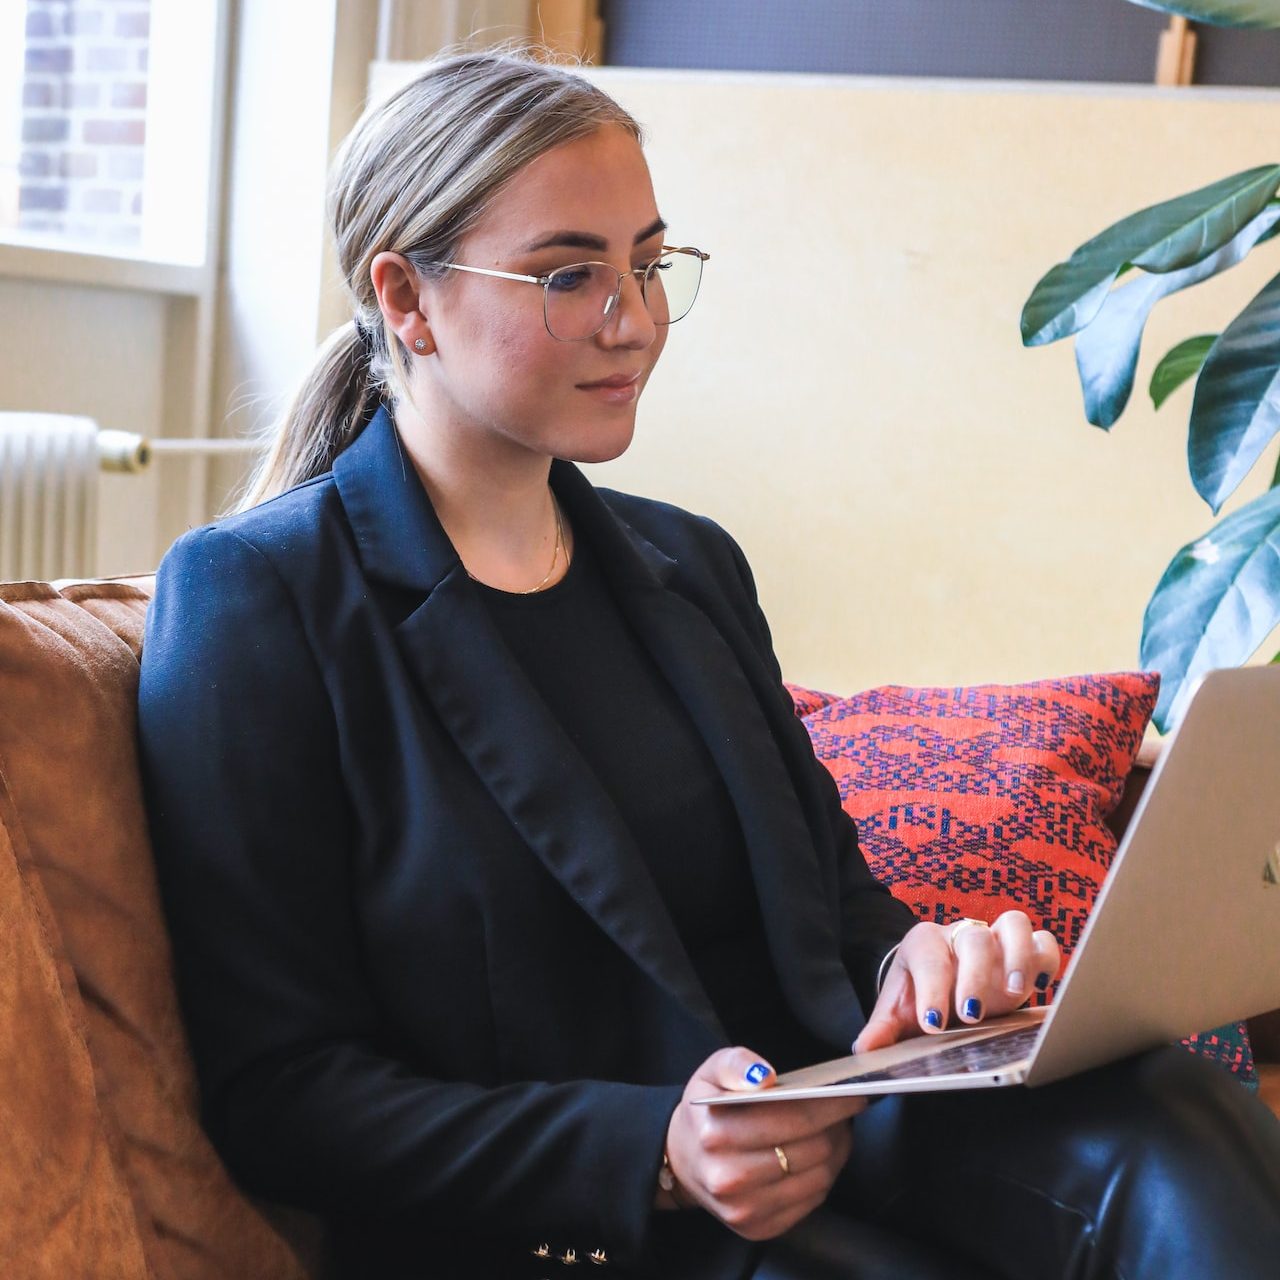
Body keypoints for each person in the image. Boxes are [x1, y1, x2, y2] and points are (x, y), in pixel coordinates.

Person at [137, 49, 1280, 1280]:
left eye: (647, 261)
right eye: (568, 272)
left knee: (1170, 1111)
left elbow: (841, 915)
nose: (632, 318)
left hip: (827, 1116)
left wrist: (925, 966)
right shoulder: (256, 600)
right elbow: (279, 1087)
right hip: (568, 1220)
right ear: (405, 297)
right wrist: (653, 1150)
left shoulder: (687, 565)